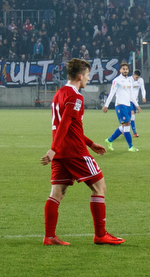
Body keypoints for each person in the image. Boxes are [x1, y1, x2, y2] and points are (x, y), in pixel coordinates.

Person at [41, 57, 124, 246]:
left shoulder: (59, 93)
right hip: (73, 152)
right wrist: (53, 150)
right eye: (87, 75)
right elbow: (65, 123)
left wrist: (91, 143)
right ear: (80, 76)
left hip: (62, 151)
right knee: (99, 187)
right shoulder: (75, 96)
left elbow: (70, 126)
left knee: (56, 193)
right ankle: (100, 234)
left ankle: (49, 236)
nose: (88, 79)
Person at [100, 63, 140, 152]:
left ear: (128, 70)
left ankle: (109, 140)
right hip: (120, 105)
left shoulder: (130, 81)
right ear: (120, 70)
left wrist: (137, 105)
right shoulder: (117, 80)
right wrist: (106, 105)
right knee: (126, 125)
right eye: (123, 69)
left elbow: (131, 95)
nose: (125, 70)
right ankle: (130, 146)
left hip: (128, 105)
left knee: (125, 125)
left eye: (126, 69)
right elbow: (111, 93)